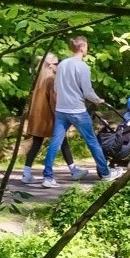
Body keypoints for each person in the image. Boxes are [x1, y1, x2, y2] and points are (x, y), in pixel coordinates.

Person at [43, 36, 121, 186]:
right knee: (92, 142)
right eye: (87, 46)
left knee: (55, 143)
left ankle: (48, 177)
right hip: (77, 110)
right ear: (83, 47)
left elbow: (56, 88)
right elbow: (87, 92)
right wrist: (98, 100)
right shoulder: (83, 67)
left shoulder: (62, 64)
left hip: (61, 110)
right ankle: (105, 173)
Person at [22, 52, 76, 184]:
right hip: (49, 118)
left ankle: (26, 173)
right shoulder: (51, 79)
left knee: (36, 144)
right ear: (51, 65)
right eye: (57, 63)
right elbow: (54, 101)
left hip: (38, 118)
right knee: (62, 142)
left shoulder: (39, 79)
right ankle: (73, 170)